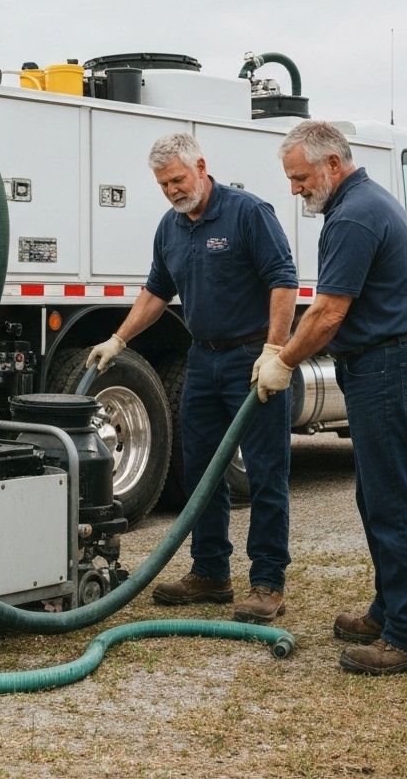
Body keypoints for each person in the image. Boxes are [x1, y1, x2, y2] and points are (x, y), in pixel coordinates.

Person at [86, 133, 297, 622]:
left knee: (266, 473)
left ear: (201, 166)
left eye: (178, 180)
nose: (173, 192)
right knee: (199, 471)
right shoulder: (171, 227)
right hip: (202, 359)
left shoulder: (248, 213)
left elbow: (283, 281)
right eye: (163, 186)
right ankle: (210, 573)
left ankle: (267, 582)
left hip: (251, 359)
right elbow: (156, 292)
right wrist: (118, 340)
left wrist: (274, 351)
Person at [258, 119, 407, 675]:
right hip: (388, 364)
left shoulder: (356, 216)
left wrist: (282, 361)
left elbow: (329, 312)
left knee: (394, 503)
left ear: (333, 164)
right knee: (378, 497)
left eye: (300, 177)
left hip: (389, 366)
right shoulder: (362, 205)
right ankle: (390, 611)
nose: (294, 189)